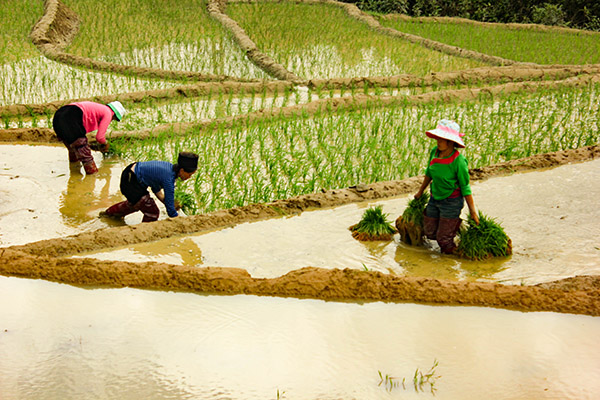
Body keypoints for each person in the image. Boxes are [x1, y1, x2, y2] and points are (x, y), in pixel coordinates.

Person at [414, 119, 479, 254]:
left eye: (442, 139)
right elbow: (429, 172)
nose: (438, 142)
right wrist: (420, 192)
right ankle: (455, 226)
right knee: (430, 232)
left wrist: (472, 212)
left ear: (451, 142)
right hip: (435, 198)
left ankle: (450, 262)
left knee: (443, 240)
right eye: (438, 138)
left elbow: (465, 187)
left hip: (451, 202)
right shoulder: (435, 152)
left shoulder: (458, 162)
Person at [100, 151, 199, 223]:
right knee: (152, 211)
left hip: (131, 175)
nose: (189, 178)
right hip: (131, 179)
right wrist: (180, 221)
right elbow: (170, 211)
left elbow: (156, 188)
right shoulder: (168, 179)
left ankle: (109, 215)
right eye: (189, 174)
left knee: (137, 203)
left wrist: (169, 204)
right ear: (182, 170)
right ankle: (143, 233)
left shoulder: (169, 169)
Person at [52, 100, 127, 174]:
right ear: (114, 115)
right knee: (85, 155)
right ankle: (91, 177)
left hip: (58, 117)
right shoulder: (108, 113)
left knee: (73, 149)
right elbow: (100, 137)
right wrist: (106, 144)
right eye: (114, 119)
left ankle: (74, 172)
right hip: (71, 119)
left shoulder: (100, 108)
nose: (111, 120)